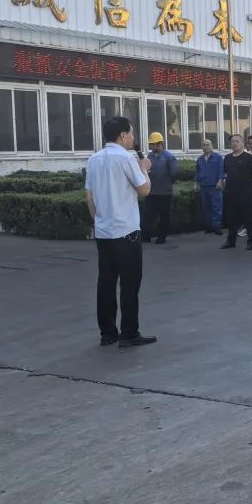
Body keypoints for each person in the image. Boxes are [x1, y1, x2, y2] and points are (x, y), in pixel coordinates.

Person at [84, 115, 155, 348]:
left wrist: (98, 222)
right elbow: (144, 190)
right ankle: (129, 333)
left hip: (103, 232)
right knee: (130, 283)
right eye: (131, 133)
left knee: (106, 282)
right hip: (126, 231)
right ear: (123, 135)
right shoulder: (126, 158)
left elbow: (89, 196)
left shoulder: (93, 160)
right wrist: (144, 169)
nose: (133, 138)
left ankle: (107, 333)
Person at [220, 134, 252, 250]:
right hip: (230, 193)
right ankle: (231, 241)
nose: (234, 144)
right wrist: (223, 183)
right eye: (232, 142)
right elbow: (225, 174)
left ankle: (251, 241)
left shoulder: (249, 158)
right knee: (231, 218)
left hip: (245, 193)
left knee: (248, 218)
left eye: (237, 141)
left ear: (242, 143)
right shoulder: (227, 158)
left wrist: (248, 184)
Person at [141, 131, 178, 244]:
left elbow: (174, 173)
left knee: (163, 216)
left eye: (153, 144)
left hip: (165, 193)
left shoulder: (169, 157)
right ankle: (146, 236)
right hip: (151, 191)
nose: (151, 147)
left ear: (160, 144)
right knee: (148, 214)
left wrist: (167, 183)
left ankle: (161, 237)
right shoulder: (150, 156)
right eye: (151, 144)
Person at [193, 139, 223, 235]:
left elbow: (221, 170)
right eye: (204, 145)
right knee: (206, 207)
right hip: (203, 186)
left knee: (216, 207)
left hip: (215, 186)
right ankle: (209, 226)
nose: (205, 147)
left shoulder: (218, 158)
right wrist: (195, 183)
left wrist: (220, 181)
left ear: (212, 146)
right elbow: (197, 172)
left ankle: (217, 227)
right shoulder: (200, 159)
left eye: (207, 145)